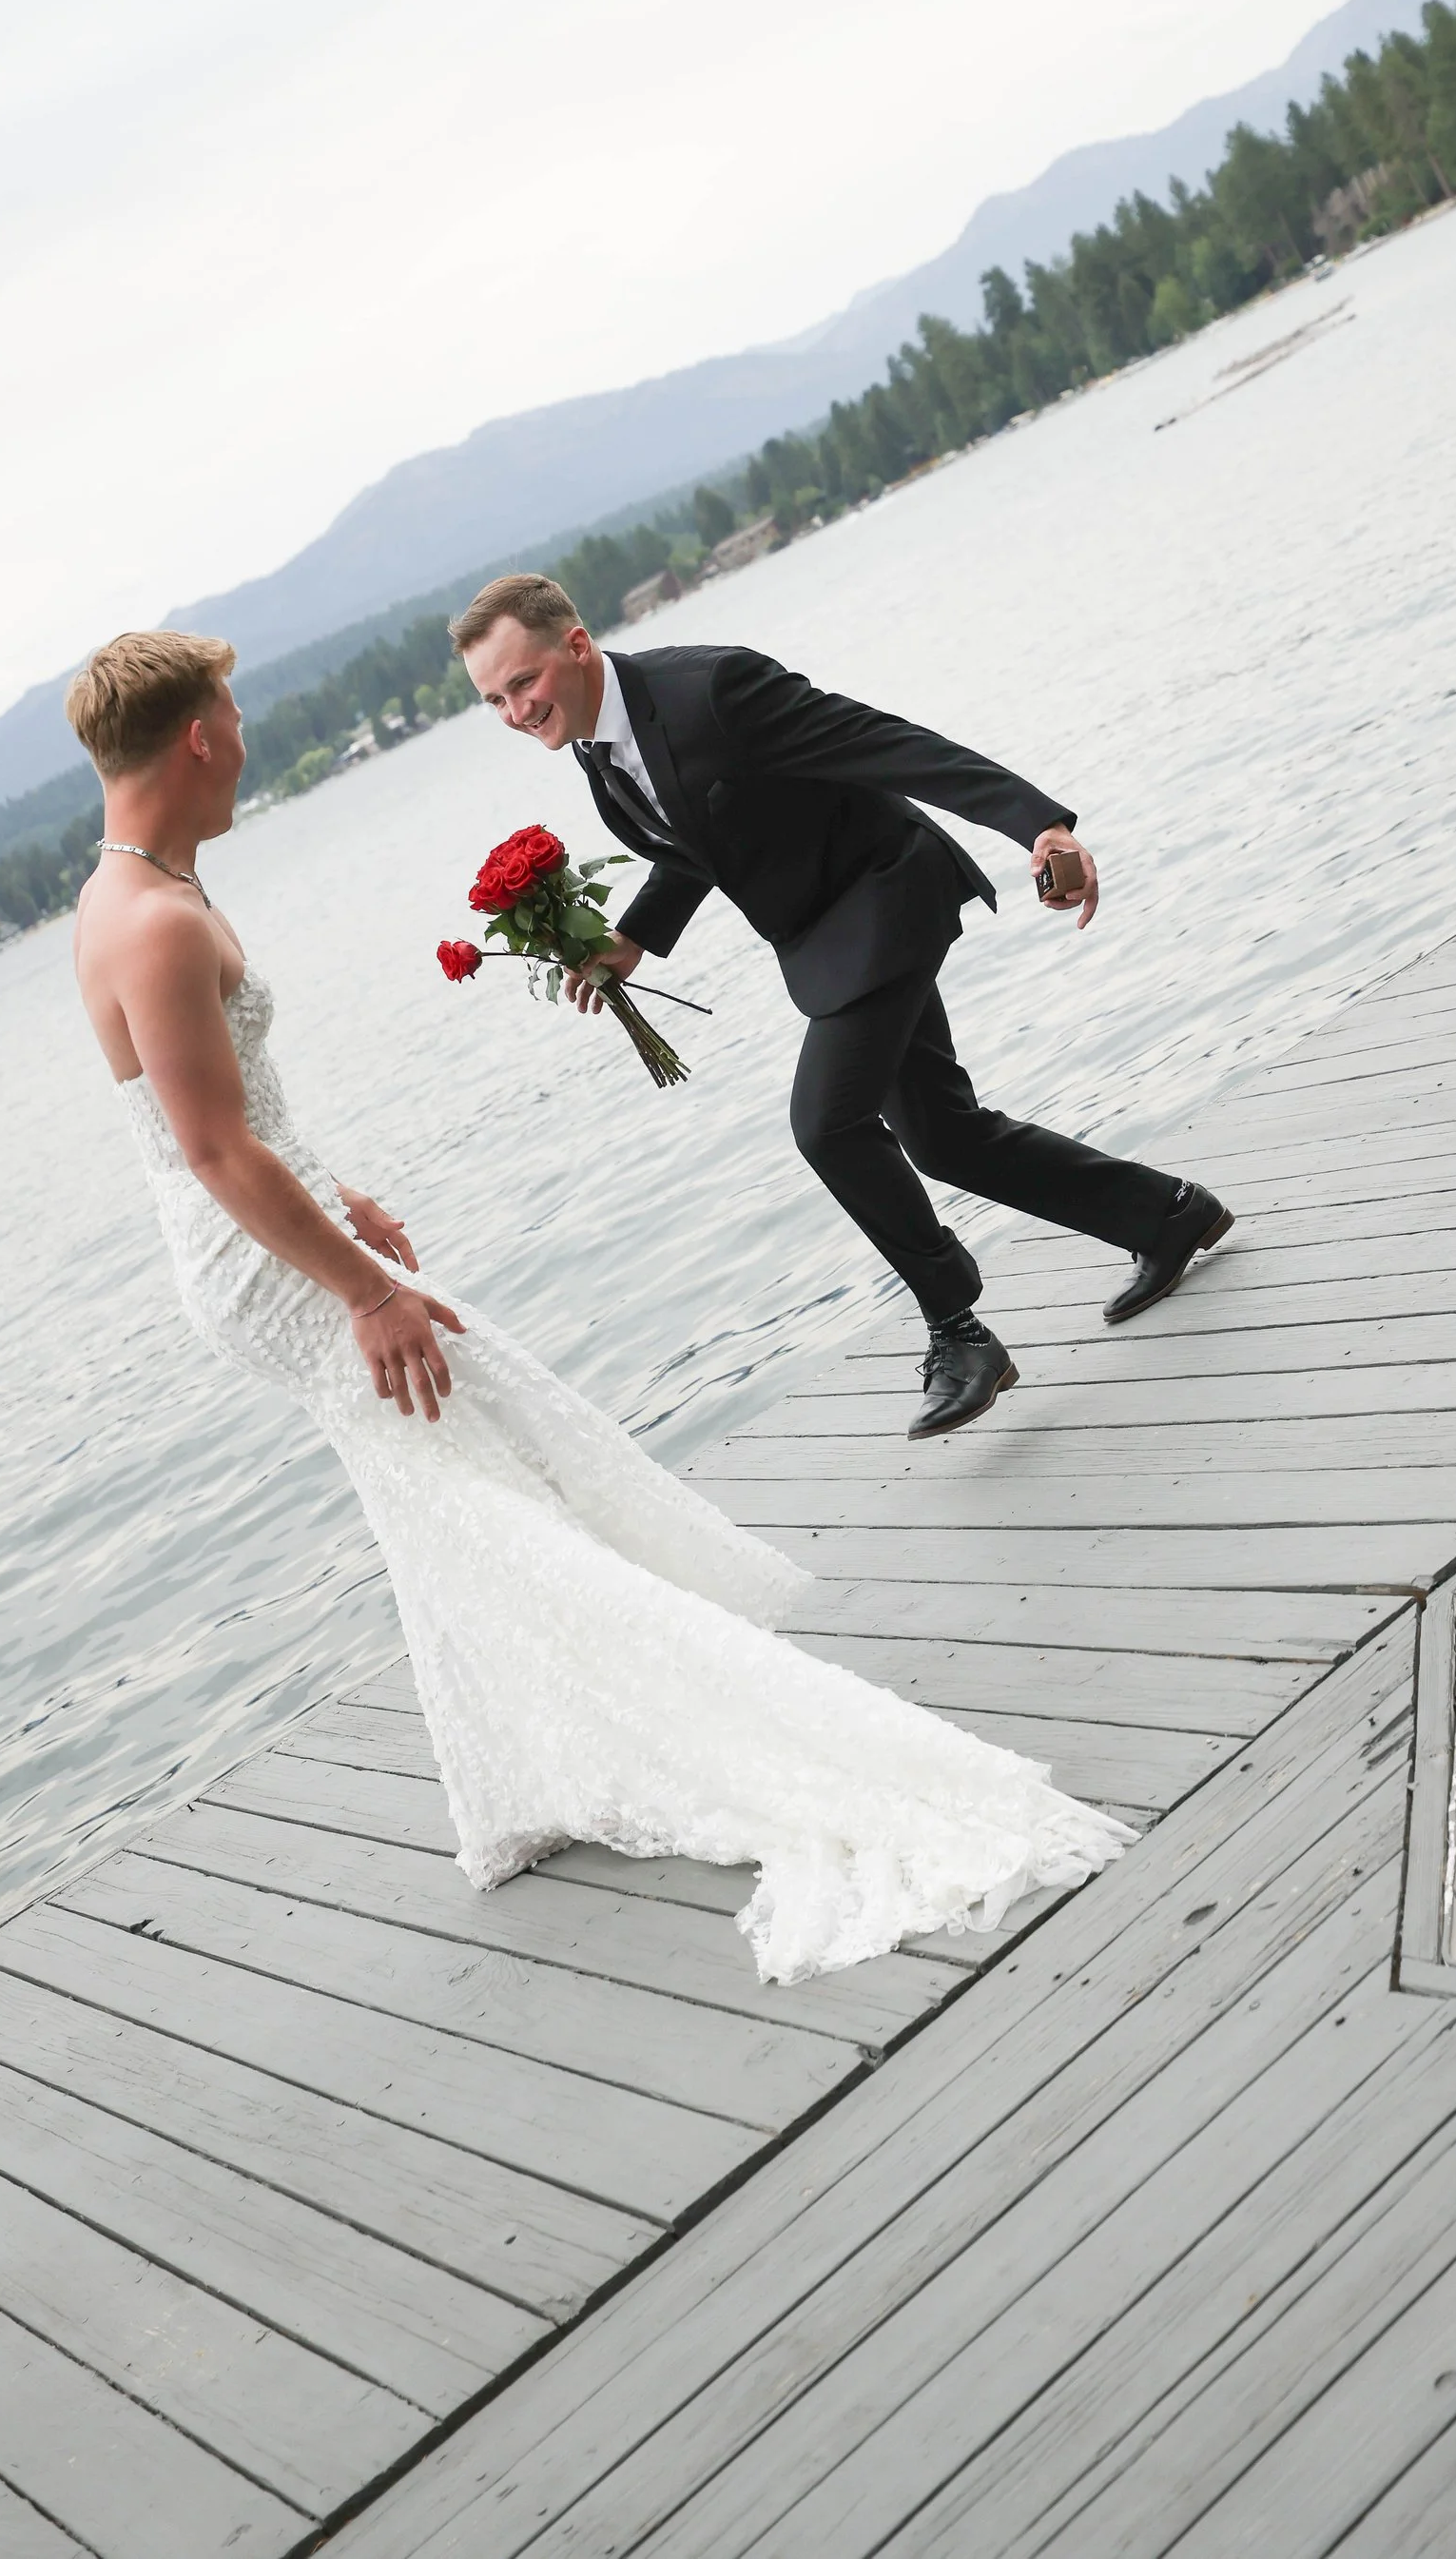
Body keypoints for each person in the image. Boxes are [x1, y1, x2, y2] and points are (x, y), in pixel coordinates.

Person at [66, 627, 1127, 1982]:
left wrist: (348, 1199)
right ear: (201, 735)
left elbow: (229, 1119)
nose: (247, 742)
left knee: (458, 1478)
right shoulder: (154, 919)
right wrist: (364, 1288)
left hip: (303, 1227)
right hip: (272, 1268)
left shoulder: (144, 886)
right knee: (477, 1470)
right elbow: (210, 1153)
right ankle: (652, 1718)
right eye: (236, 716)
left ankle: (511, 1774)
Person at [454, 576, 1230, 1438]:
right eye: (494, 700)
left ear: (575, 645)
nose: (516, 711)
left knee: (827, 1125)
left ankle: (959, 1331)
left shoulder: (714, 688)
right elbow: (699, 834)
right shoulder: (597, 749)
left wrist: (1038, 825)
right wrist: (633, 937)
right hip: (827, 942)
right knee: (944, 1137)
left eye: (522, 684)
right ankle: (1166, 1214)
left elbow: (881, 742)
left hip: (888, 895)